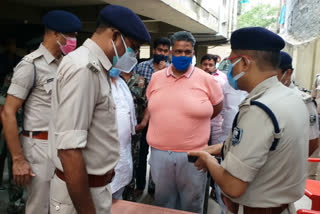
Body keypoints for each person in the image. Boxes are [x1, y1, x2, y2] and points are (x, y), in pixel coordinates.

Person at [189, 27, 309, 214]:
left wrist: (207, 158)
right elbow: (268, 146)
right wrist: (214, 149)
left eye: (231, 63)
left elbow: (232, 185)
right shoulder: (291, 97)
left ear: (244, 62)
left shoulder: (260, 109)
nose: (229, 70)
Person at [48, 5, 150, 214]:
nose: (134, 55)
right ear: (115, 35)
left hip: (92, 188)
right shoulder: (84, 68)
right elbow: (69, 150)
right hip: (80, 194)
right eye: (133, 47)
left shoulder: (94, 66)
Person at [1, 11, 81, 214]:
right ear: (54, 34)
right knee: (39, 206)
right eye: (70, 35)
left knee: (62, 204)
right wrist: (18, 159)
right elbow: (8, 112)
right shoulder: (30, 65)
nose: (74, 40)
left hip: (63, 145)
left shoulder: (66, 63)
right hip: (39, 147)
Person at [146, 31, 223, 213]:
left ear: (193, 54)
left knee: (191, 204)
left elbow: (217, 108)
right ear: (171, 53)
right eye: (178, 52)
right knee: (163, 203)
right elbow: (152, 105)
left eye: (187, 52)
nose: (183, 56)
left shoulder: (206, 79)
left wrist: (193, 122)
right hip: (159, 154)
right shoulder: (156, 78)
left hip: (194, 155)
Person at [135, 37, 171, 198]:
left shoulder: (171, 70)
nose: (162, 54)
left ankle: (153, 185)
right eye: (159, 50)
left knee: (158, 155)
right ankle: (140, 184)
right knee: (141, 153)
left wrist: (162, 74)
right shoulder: (142, 67)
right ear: (153, 50)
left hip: (162, 120)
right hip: (143, 117)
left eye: (165, 51)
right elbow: (136, 90)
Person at [278, 51, 319, 177]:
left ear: (288, 73)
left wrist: (291, 167)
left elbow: (312, 141)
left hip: (287, 171)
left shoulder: (303, 102)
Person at [0, 38, 25, 214]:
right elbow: (3, 105)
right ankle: (14, 203)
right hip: (14, 128)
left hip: (33, 130)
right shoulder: (12, 75)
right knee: (14, 167)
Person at [120, 68, 147, 201]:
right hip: (115, 132)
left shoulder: (141, 80)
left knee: (132, 162)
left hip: (134, 132)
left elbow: (148, 104)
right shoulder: (113, 77)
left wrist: (143, 124)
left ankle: (129, 197)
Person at [110, 72, 137, 199]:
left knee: (118, 193)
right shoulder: (95, 80)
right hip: (106, 150)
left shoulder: (120, 82)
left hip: (124, 148)